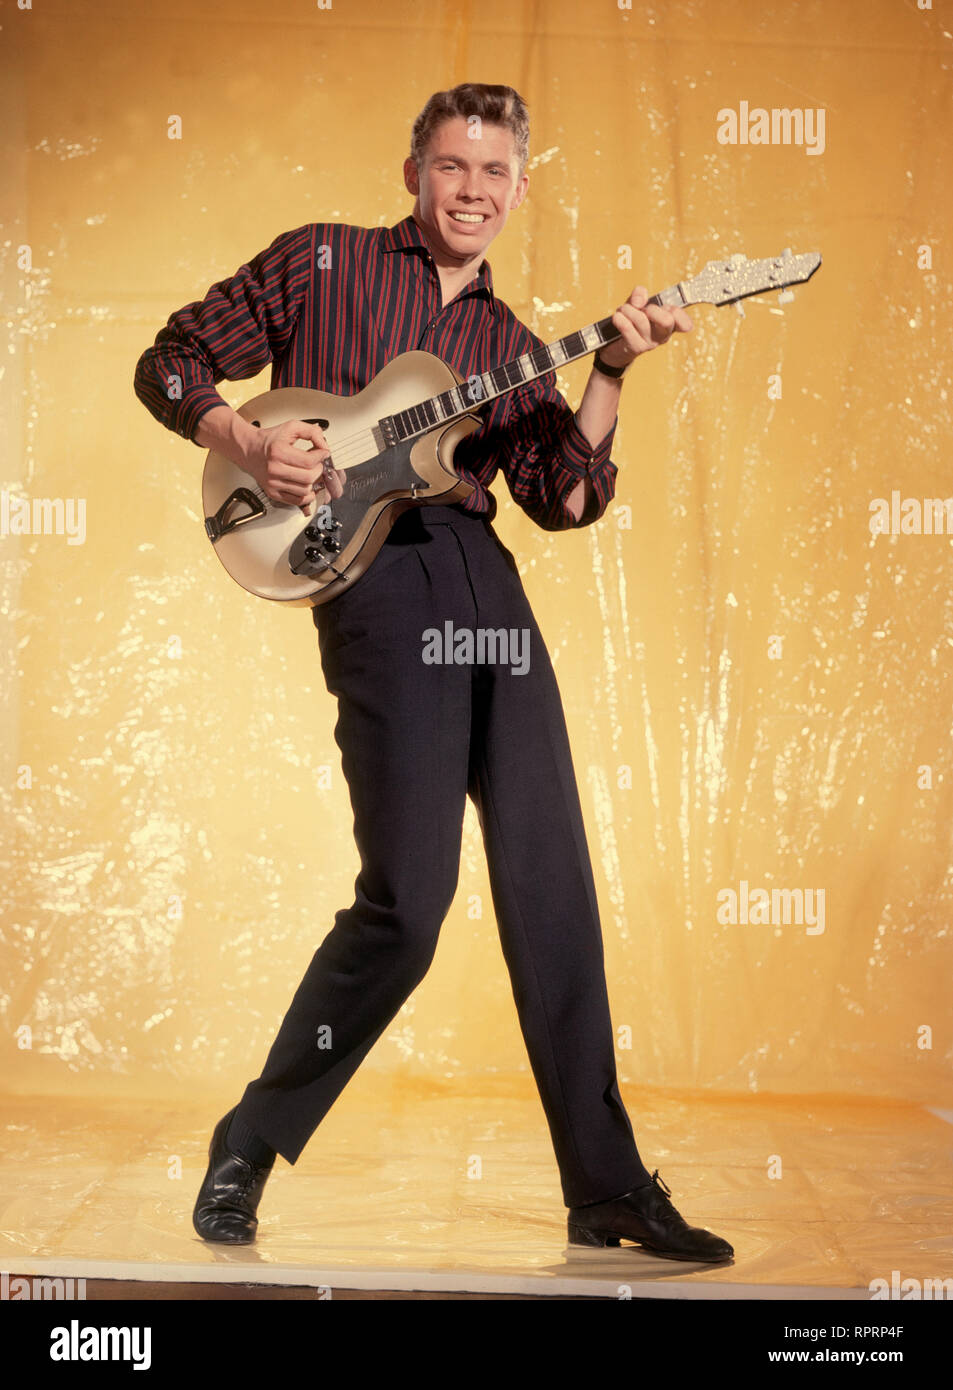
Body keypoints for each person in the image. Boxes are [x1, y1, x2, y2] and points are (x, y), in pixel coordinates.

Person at [134, 82, 732, 1263]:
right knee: (406, 907)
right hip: (375, 582)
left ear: (517, 188)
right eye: (453, 166)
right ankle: (250, 1141)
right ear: (415, 169)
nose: (472, 191)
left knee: (549, 882)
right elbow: (171, 360)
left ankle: (603, 1186)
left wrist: (611, 367)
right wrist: (246, 437)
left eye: (495, 173)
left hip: (483, 585)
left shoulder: (509, 346)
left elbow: (562, 500)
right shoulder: (322, 263)